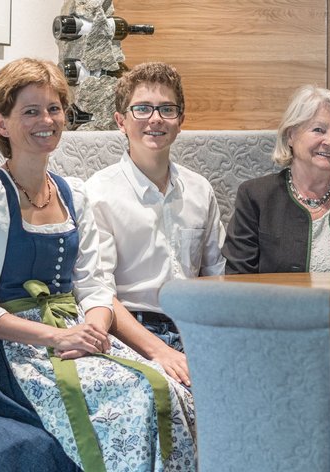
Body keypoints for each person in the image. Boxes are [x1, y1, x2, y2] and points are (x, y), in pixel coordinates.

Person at [0, 58, 196, 471]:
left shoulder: (72, 193)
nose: (46, 120)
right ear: (2, 123)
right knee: (136, 399)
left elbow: (96, 287)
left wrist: (94, 332)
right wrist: (56, 337)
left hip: (78, 333)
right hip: (16, 351)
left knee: (175, 389)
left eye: (53, 108)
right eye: (30, 111)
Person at [222, 85, 330, 424]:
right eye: (318, 129)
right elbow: (237, 286)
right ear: (291, 135)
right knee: (277, 400)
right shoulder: (256, 197)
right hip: (276, 343)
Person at [86, 61, 225, 386]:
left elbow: (216, 276)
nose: (155, 119)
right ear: (121, 121)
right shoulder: (99, 193)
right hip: (131, 331)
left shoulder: (200, 189)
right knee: (176, 393)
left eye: (166, 109)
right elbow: (99, 293)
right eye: (143, 109)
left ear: (180, 121)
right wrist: (161, 351)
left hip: (195, 327)